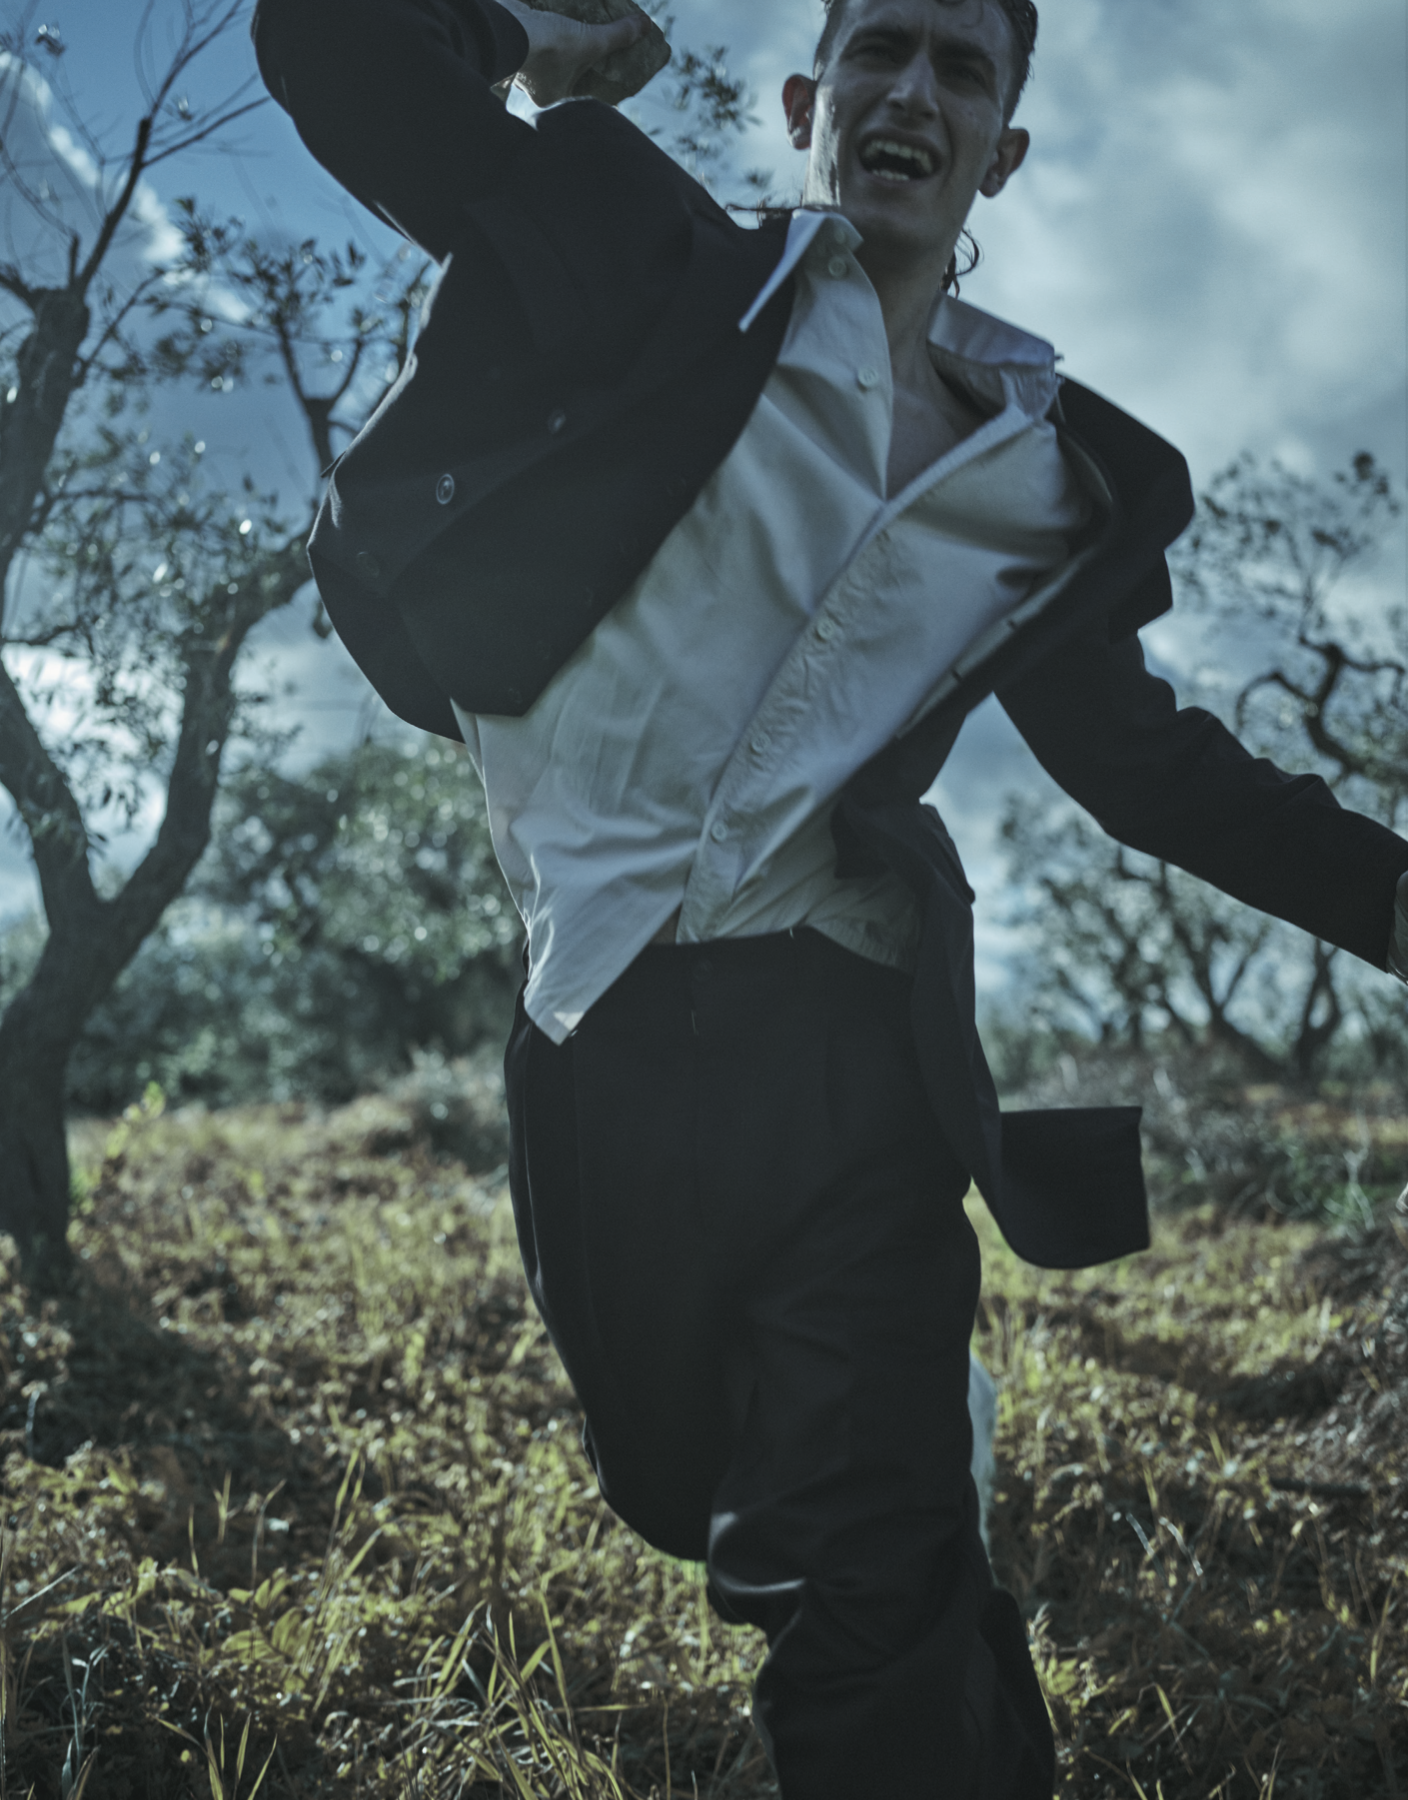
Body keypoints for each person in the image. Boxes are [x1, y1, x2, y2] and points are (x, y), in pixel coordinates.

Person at [252, 0, 1408, 1792]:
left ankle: (915, 1559)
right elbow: (330, 49)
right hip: (601, 1036)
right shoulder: (648, 262)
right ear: (808, 101)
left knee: (861, 1571)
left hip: (850, 1045)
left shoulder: (1040, 478)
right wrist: (531, 42)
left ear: (1002, 152)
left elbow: (1163, 775)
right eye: (879, 50)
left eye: (964, 68)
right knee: (696, 1491)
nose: (913, 91)